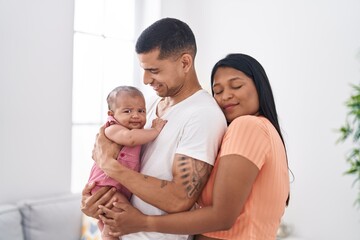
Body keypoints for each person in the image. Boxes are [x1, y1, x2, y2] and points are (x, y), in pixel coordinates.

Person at [97, 53, 291, 240]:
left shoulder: (247, 126)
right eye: (218, 91)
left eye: (236, 86)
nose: (225, 96)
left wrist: (143, 222)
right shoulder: (263, 131)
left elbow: (221, 217)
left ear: (260, 87)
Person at [81, 18, 227, 240]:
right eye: (144, 69)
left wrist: (110, 166)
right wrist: (95, 203)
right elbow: (106, 151)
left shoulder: (203, 115)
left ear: (185, 63)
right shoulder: (145, 106)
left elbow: (179, 198)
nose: (146, 79)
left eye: (154, 70)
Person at [87, 85, 167, 240]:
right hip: (104, 187)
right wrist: (155, 131)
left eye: (141, 111)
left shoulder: (134, 130)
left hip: (115, 186)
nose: (136, 115)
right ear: (112, 114)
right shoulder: (112, 129)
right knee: (122, 212)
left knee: (114, 218)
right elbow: (130, 138)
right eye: (127, 111)